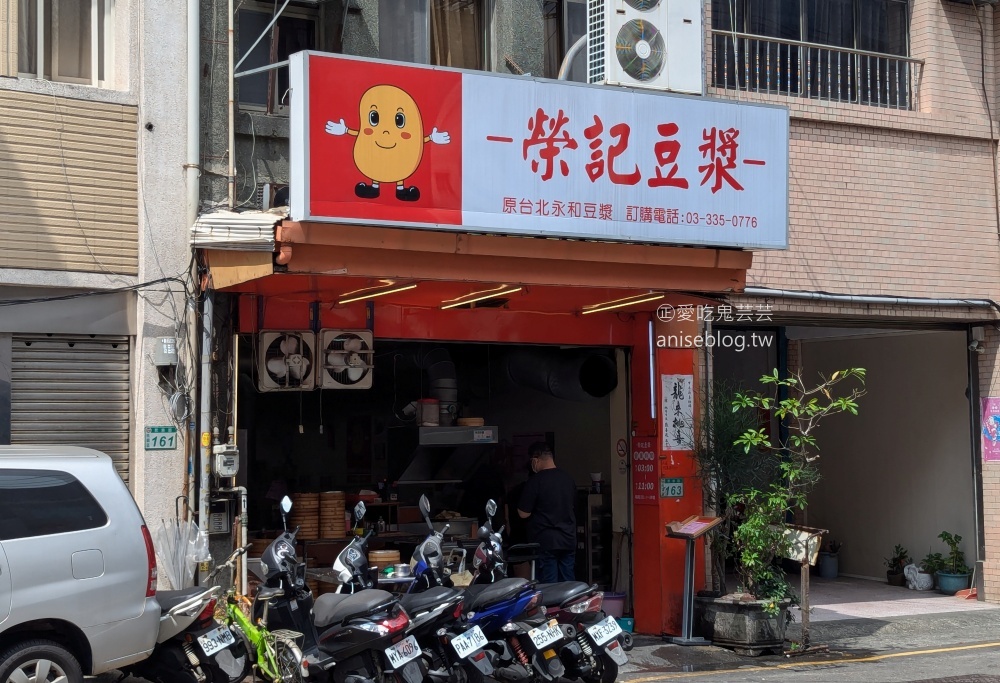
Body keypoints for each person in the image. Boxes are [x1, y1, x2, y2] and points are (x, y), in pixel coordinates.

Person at [517, 442, 577, 583]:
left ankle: (551, 606)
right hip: (568, 539)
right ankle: (570, 605)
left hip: (546, 541)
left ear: (536, 460)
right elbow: (573, 506)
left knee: (549, 585)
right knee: (568, 583)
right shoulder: (568, 479)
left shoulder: (535, 481)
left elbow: (523, 513)